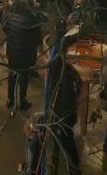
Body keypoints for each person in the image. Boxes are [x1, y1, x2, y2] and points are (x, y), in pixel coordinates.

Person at [44, 36, 82, 175]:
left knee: (65, 141)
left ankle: (73, 168)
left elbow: (53, 92)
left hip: (63, 114)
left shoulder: (61, 71)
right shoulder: (67, 70)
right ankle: (71, 167)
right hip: (65, 113)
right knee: (65, 140)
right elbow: (77, 86)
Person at [3, 0, 45, 112]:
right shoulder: (31, 17)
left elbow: (5, 28)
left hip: (12, 49)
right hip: (26, 52)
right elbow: (37, 34)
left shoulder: (10, 15)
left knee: (12, 73)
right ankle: (22, 101)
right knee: (23, 75)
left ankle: (10, 99)